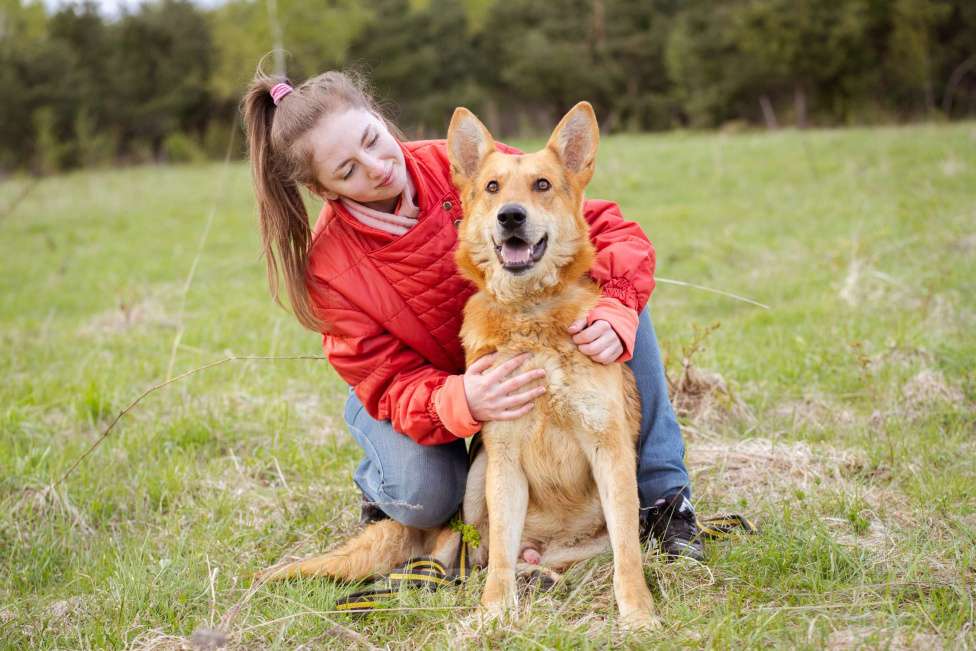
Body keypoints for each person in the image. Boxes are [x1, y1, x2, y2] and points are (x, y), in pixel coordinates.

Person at [241, 69, 703, 560]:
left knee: (621, 295)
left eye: (372, 140)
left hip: (498, 359)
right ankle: (384, 496)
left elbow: (607, 229)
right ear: (324, 191)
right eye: (348, 170)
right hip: (414, 390)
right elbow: (386, 380)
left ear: (379, 118)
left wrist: (618, 308)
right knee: (425, 497)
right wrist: (461, 398)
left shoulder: (476, 168)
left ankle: (664, 497)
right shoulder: (332, 268)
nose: (375, 166)